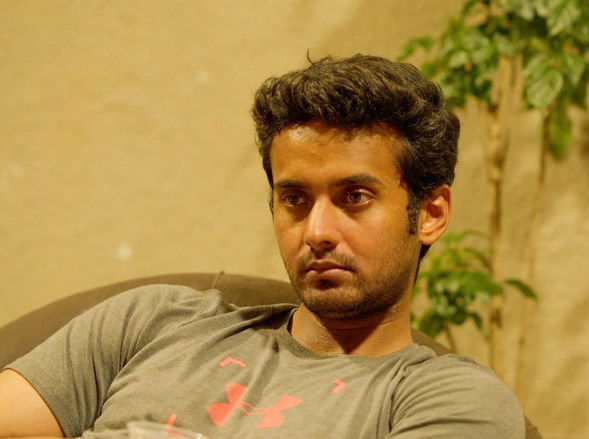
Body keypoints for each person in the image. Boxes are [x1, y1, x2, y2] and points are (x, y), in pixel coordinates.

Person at [0, 54, 526, 438]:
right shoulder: (151, 324)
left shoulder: (448, 398)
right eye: (295, 199)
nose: (317, 231)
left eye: (355, 197)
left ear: (431, 213)